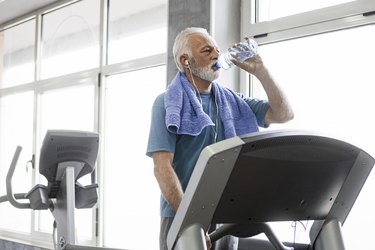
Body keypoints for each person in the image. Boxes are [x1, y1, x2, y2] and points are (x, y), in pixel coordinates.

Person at [146, 27, 294, 250]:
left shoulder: (234, 102)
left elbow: (284, 114)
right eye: (207, 51)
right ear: (185, 60)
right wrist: (190, 219)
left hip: (226, 214)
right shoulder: (167, 103)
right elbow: (161, 167)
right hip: (181, 213)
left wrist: (260, 71)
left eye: (217, 49)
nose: (217, 55)